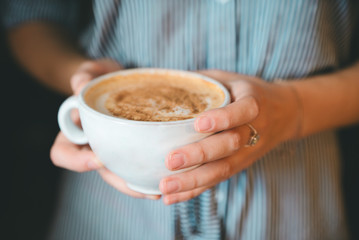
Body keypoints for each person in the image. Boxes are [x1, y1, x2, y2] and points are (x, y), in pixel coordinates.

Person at [3, 0, 359, 239]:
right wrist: (80, 79)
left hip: (293, 212)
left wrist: (293, 110)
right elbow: (29, 15)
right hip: (108, 216)